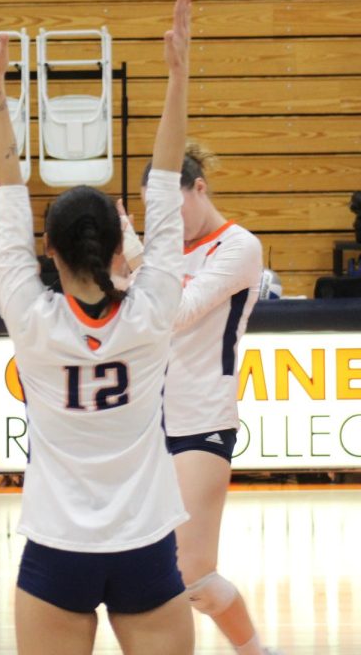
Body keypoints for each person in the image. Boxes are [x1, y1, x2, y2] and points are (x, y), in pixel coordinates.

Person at [0, 0, 194, 654]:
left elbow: (9, 187)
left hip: (57, 548)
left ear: (48, 250)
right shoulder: (154, 307)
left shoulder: (31, 316)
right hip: (146, 545)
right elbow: (164, 184)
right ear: (121, 246)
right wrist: (178, 76)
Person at [122, 147, 275, 655]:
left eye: (170, 208)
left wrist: (137, 260)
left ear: (199, 189)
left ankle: (254, 650)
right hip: (144, 421)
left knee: (192, 572)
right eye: (151, 214)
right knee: (133, 564)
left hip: (201, 418)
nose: (162, 223)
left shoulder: (239, 246)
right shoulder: (160, 251)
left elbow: (179, 310)